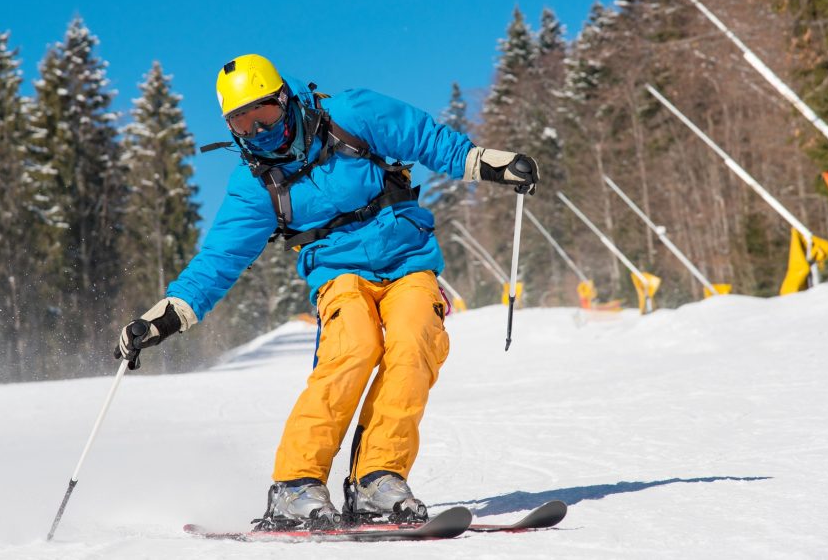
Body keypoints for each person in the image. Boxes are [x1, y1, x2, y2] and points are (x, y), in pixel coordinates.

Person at [115, 54, 539, 529]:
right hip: (337, 272)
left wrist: (490, 164)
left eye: (265, 115)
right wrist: (165, 316)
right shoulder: (255, 186)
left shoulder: (354, 116)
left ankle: (378, 481)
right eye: (242, 122)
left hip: (408, 259)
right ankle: (295, 486)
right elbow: (217, 263)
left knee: (416, 339)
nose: (257, 131)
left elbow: (429, 140)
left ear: (285, 100)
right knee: (353, 347)